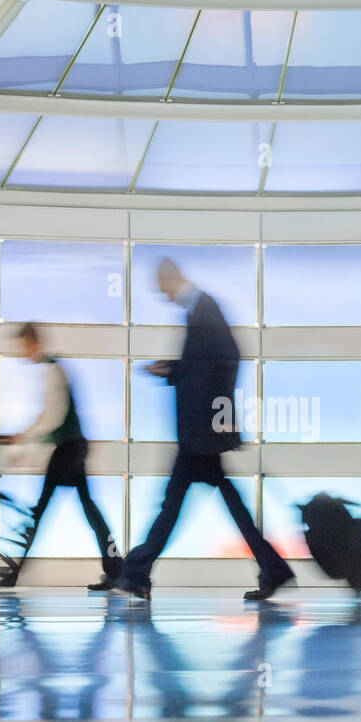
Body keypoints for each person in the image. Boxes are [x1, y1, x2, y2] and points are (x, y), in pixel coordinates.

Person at [115, 258, 294, 602]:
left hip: (201, 434)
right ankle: (274, 568)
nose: (164, 296)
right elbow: (206, 364)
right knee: (212, 503)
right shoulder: (200, 311)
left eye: (163, 288)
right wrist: (173, 369)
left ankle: (137, 572)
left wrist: (211, 410)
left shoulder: (204, 308)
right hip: (202, 434)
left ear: (175, 278)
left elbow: (227, 358)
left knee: (172, 507)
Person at [4, 323, 120, 591]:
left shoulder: (52, 369)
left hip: (68, 450)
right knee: (89, 510)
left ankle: (13, 573)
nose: (21, 352)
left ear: (33, 343)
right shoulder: (53, 368)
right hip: (73, 448)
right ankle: (116, 569)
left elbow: (52, 417)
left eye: (22, 346)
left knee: (42, 510)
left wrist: (22, 440)